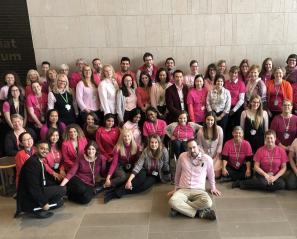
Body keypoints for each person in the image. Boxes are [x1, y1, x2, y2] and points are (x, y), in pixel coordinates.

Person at [104, 134, 170, 203]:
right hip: (144, 169)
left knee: (143, 187)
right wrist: (129, 180)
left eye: (156, 142)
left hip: (155, 173)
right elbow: (138, 165)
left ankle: (116, 192)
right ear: (149, 143)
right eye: (152, 142)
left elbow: (166, 165)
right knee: (138, 181)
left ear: (159, 143)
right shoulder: (146, 151)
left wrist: (167, 177)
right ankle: (115, 193)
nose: (154, 144)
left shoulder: (164, 151)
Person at [168, 139, 221, 220]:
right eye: (189, 148)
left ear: (198, 147)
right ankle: (199, 212)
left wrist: (213, 187)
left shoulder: (207, 159)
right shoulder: (182, 156)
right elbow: (177, 173)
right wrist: (175, 188)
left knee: (208, 202)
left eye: (194, 147)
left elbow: (211, 174)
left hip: (199, 190)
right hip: (183, 189)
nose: (192, 150)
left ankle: (180, 209)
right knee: (172, 201)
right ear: (187, 149)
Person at [16, 141, 66, 219]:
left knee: (60, 201)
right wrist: (43, 203)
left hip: (37, 190)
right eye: (42, 148)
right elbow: (33, 187)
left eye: (47, 149)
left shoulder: (38, 160)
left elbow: (42, 180)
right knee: (62, 190)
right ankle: (36, 208)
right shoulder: (32, 163)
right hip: (28, 196)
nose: (45, 151)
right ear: (35, 149)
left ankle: (42, 204)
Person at [197, 112, 223, 178]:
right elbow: (199, 146)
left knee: (216, 175)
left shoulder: (219, 129)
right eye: (208, 120)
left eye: (212, 120)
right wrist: (205, 157)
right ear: (205, 120)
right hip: (204, 155)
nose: (210, 122)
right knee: (204, 174)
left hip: (215, 155)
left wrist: (216, 156)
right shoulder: (200, 131)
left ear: (214, 121)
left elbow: (220, 145)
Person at [224, 66, 245, 139]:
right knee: (227, 127)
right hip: (227, 108)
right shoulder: (226, 83)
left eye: (235, 72)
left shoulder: (241, 84)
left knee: (235, 127)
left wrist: (234, 110)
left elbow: (242, 99)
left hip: (237, 109)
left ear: (237, 74)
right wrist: (227, 108)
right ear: (229, 73)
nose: (233, 74)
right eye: (232, 72)